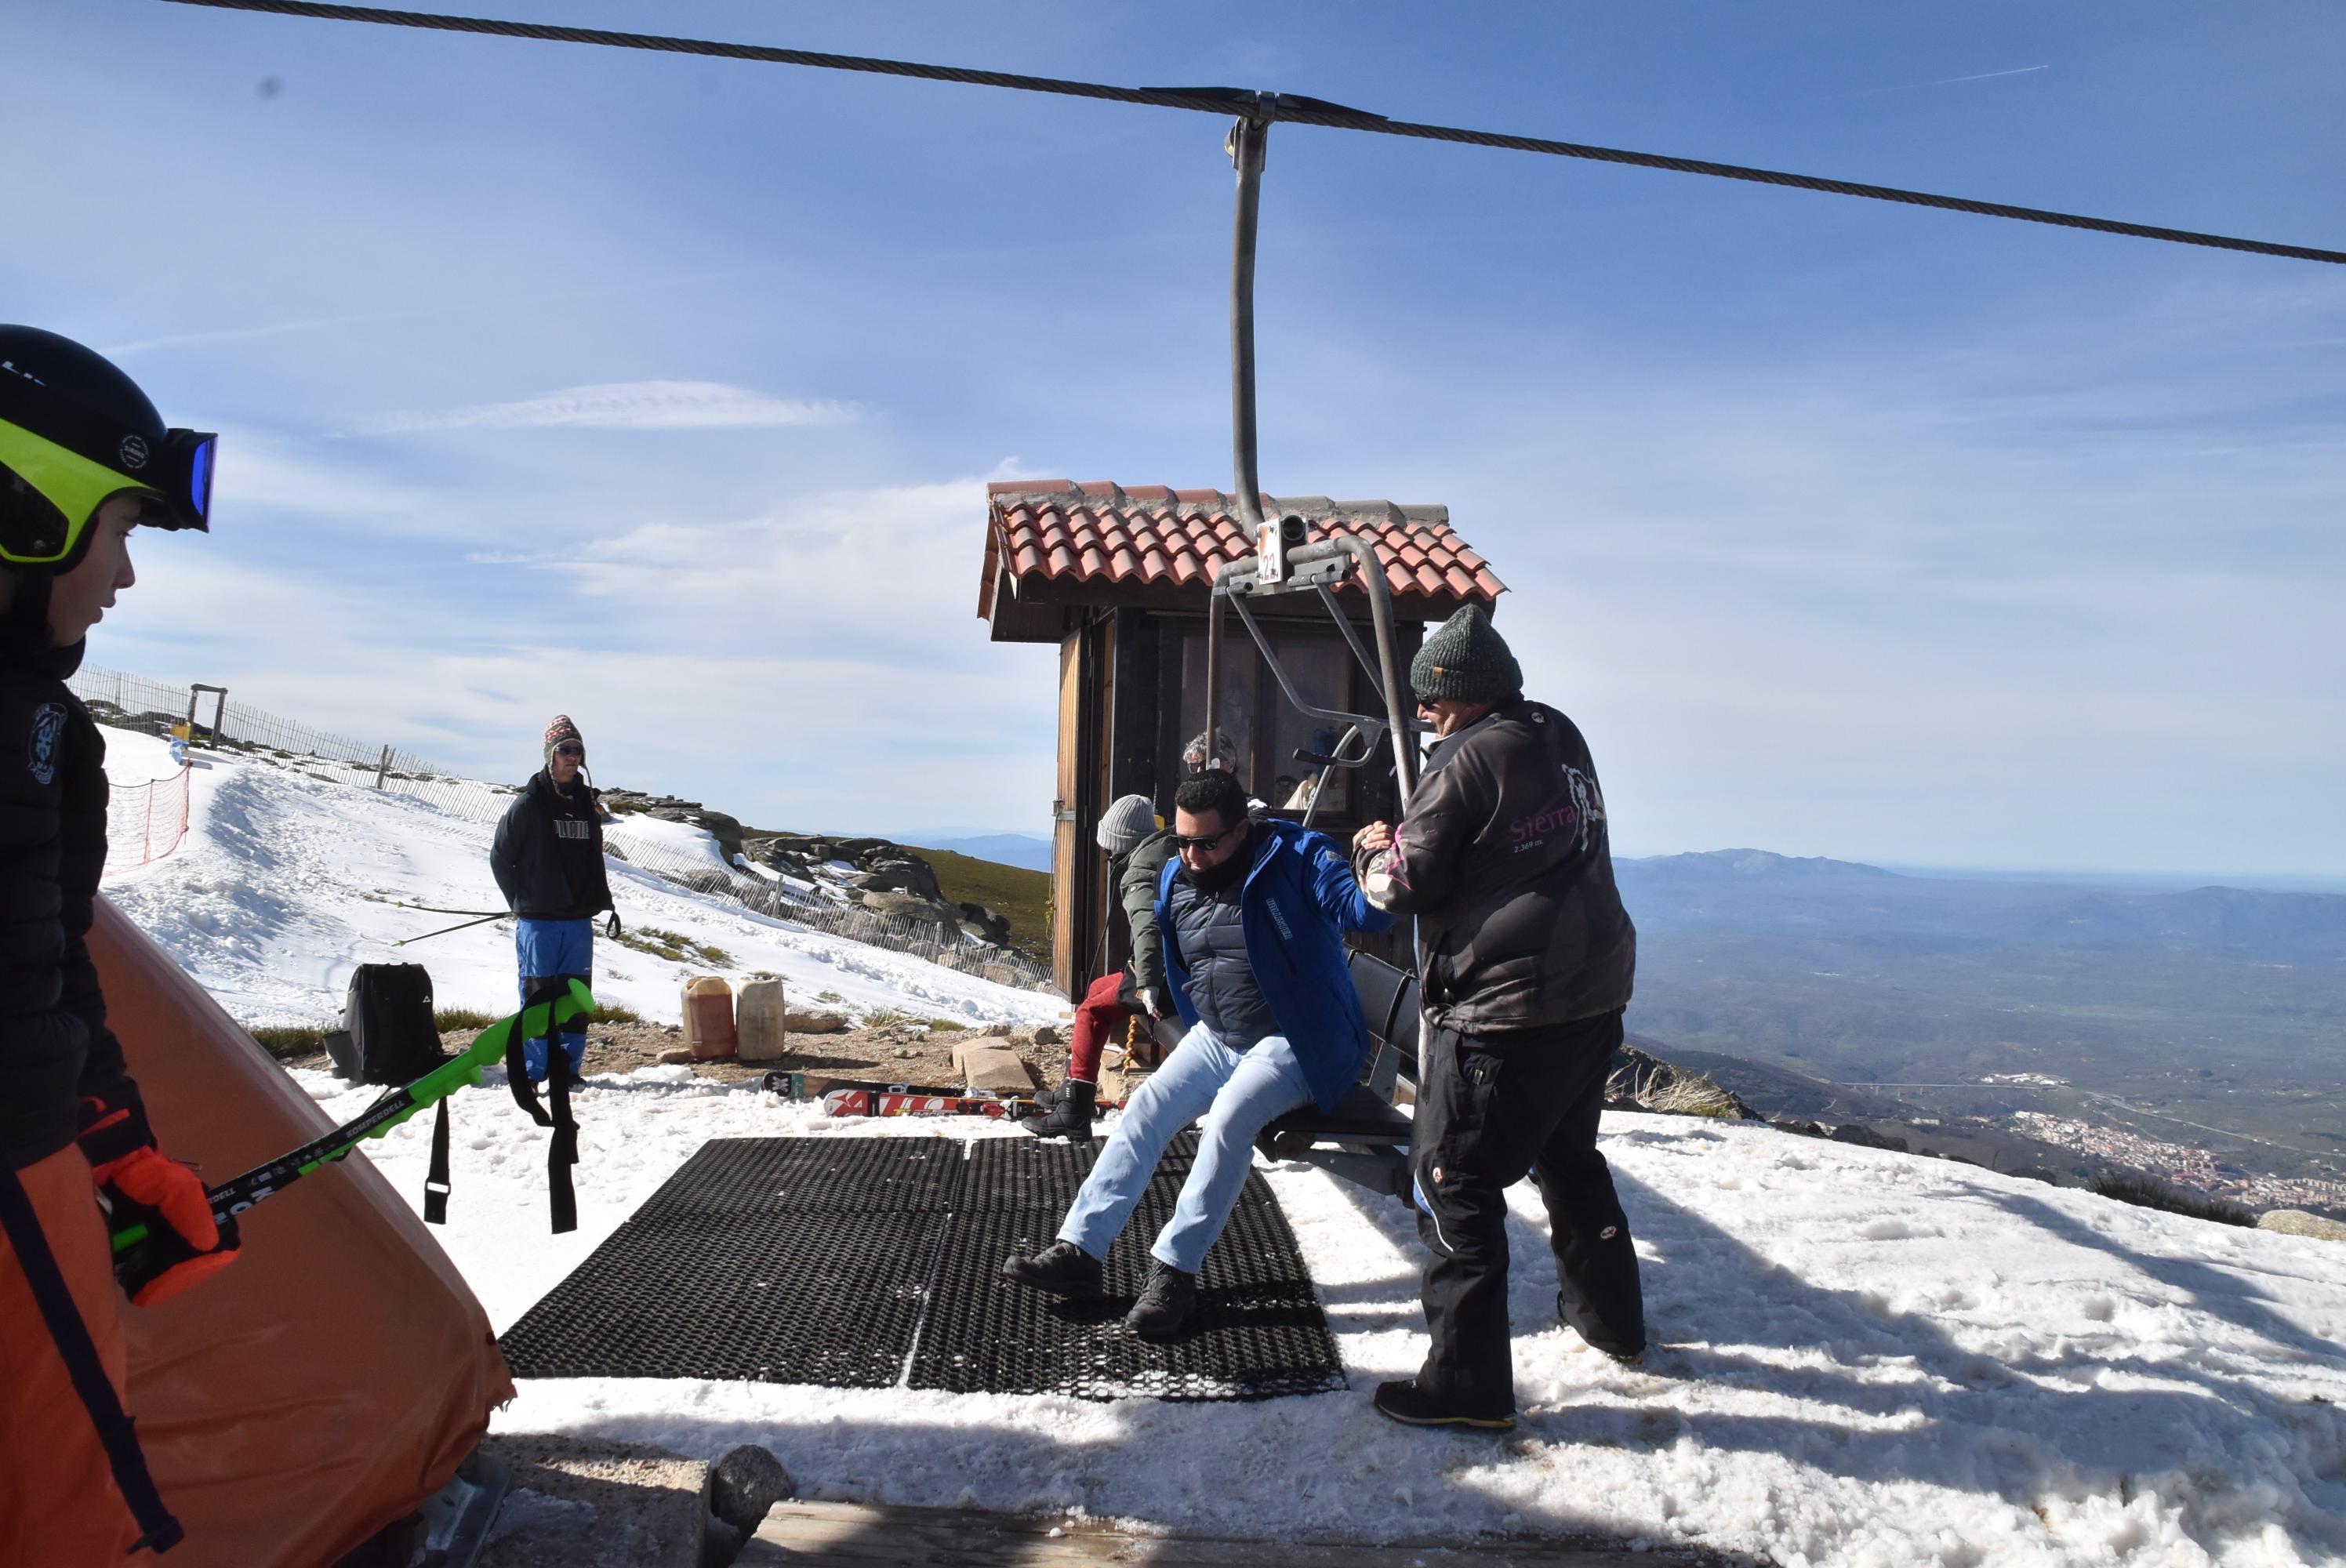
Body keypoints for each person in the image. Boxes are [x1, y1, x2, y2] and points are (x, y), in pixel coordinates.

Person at [1, 325, 238, 1562]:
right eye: (124, 530)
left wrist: (114, 1138)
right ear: (27, 510)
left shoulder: (36, 728)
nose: (126, 578)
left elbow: (34, 958)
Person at [1351, 603, 1642, 1431]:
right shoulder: (1559, 732)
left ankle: (1467, 1385)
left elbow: (1401, 888)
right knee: (1568, 1153)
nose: (1423, 715)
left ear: (1462, 694)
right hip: (1596, 986)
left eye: (1430, 700)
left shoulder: (1464, 760)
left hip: (1506, 1006)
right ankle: (1611, 1318)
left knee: (1454, 1181)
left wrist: (1375, 846)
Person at [1000, 768, 1392, 1338]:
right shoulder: (1174, 876)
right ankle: (1079, 1252)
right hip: (1219, 1034)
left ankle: (1175, 1273)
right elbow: (1167, 945)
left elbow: (1367, 913)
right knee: (1144, 1110)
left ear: (1242, 829)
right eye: (1182, 841)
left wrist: (1376, 862)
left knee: (1229, 1119)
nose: (1192, 855)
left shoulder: (1297, 855)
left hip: (1297, 1039)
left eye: (1206, 843)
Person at [1027, 793, 1175, 1140]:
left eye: (1109, 848)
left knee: (1092, 1011)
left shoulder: (1138, 871)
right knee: (1096, 990)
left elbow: (1147, 926)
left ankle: (1074, 1112)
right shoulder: (1164, 850)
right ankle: (1072, 1088)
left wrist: (1148, 982)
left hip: (1162, 978)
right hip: (1171, 968)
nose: (1107, 855)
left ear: (1121, 845)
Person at [490, 714, 614, 1086]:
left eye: (577, 750)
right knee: (538, 995)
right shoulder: (529, 804)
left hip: (578, 919)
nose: (572, 756)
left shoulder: (587, 803)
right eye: (564, 750)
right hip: (539, 920)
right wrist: (519, 901)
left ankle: (568, 1070)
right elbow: (500, 857)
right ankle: (533, 1071)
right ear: (550, 755)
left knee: (575, 997)